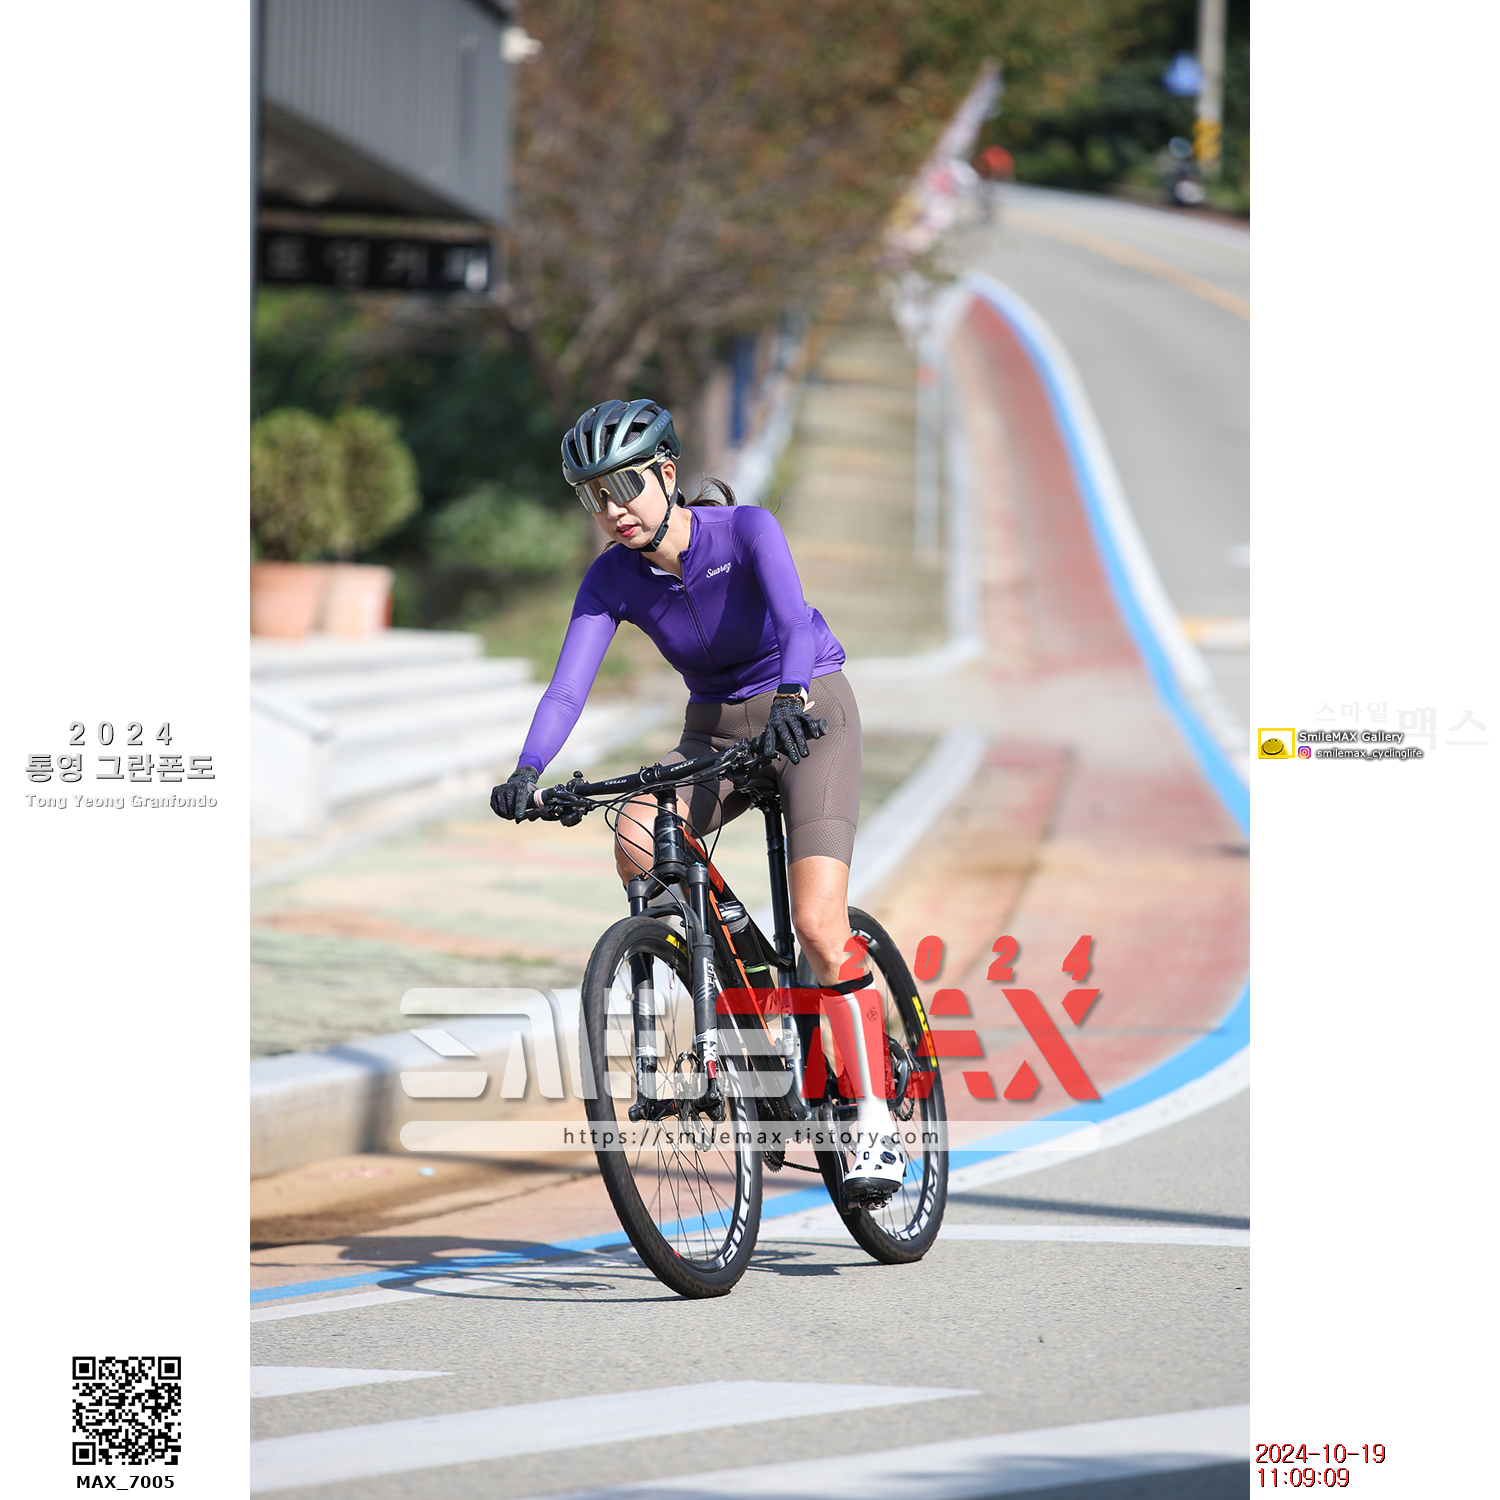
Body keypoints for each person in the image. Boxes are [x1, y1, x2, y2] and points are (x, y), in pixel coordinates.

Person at [490, 397, 905, 1201]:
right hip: (712, 730)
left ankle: (875, 1120)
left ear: (667, 473)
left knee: (820, 926)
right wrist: (528, 770)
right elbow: (566, 690)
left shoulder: (746, 530)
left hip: (808, 708)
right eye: (593, 496)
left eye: (625, 486)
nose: (612, 508)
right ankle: (725, 986)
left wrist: (791, 697)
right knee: (635, 833)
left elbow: (793, 621)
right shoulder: (612, 578)